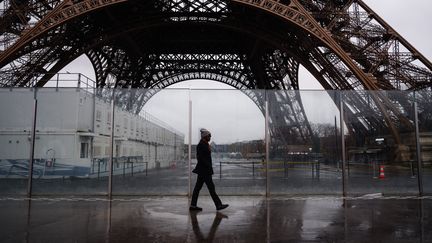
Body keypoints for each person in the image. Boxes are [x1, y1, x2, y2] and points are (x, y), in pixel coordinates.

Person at [190, 128, 229, 211]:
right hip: (204, 171)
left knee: (198, 188)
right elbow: (200, 158)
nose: (210, 137)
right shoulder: (201, 145)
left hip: (203, 170)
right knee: (211, 188)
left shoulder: (204, 144)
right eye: (209, 136)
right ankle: (218, 205)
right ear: (205, 136)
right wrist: (208, 166)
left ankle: (193, 205)